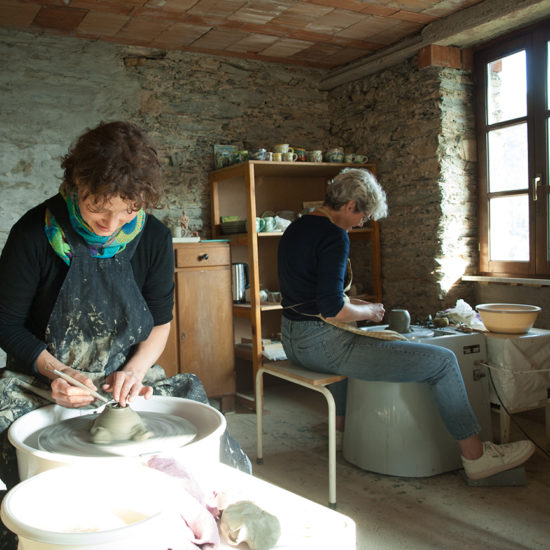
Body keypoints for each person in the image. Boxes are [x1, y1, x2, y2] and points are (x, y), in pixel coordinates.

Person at [0, 121, 249, 549]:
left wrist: (135, 370)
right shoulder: (33, 233)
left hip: (125, 382)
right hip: (42, 380)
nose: (111, 223)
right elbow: (6, 324)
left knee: (214, 450)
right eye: (99, 208)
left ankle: (198, 525)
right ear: (77, 183)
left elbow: (160, 321)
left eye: (128, 210)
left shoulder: (152, 236)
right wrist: (57, 371)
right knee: (13, 452)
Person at [277, 167, 535, 481]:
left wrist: (356, 306)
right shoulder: (334, 235)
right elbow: (333, 311)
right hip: (321, 346)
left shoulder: (296, 227)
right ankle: (477, 457)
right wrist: (370, 310)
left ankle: (341, 432)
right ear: (348, 206)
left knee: (360, 342)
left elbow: (310, 297)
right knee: (443, 362)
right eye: (364, 215)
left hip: (292, 341)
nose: (363, 222)